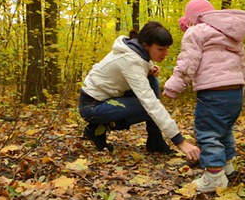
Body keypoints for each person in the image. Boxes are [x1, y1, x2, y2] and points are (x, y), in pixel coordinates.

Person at [78, 21, 201, 162]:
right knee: (147, 106)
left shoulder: (135, 52)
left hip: (108, 101)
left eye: (167, 49)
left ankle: (155, 141)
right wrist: (180, 142)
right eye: (161, 49)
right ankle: (96, 128)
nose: (165, 53)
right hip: (92, 106)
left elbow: (139, 62)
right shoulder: (129, 60)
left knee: (151, 80)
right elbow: (150, 103)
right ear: (145, 45)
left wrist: (149, 67)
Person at [163, 0, 245, 193]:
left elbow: (188, 62)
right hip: (235, 92)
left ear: (192, 18)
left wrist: (174, 86)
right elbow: (242, 63)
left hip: (213, 92)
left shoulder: (196, 31)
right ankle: (227, 167)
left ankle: (214, 177)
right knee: (224, 129)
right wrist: (240, 88)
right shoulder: (230, 34)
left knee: (207, 133)